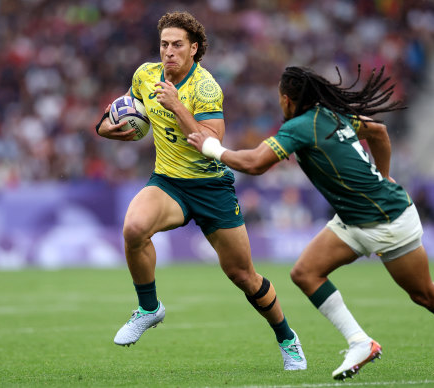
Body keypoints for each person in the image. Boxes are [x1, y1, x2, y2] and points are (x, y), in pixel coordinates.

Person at [188, 66, 434, 380]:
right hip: (354, 219)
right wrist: (384, 173)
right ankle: (360, 342)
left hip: (387, 220)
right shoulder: (332, 115)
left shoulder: (299, 127)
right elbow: (378, 130)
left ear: (287, 100)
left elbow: (254, 164)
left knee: (424, 294)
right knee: (305, 273)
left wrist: (211, 147)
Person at [95, 11, 306, 370]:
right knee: (133, 228)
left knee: (244, 276)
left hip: (211, 187)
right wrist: (105, 128)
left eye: (177, 45)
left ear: (194, 48)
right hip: (169, 182)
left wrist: (177, 106)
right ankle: (149, 308)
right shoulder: (145, 76)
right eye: (164, 45)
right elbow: (122, 113)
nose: (169, 52)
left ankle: (287, 338)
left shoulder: (205, 87)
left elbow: (211, 142)